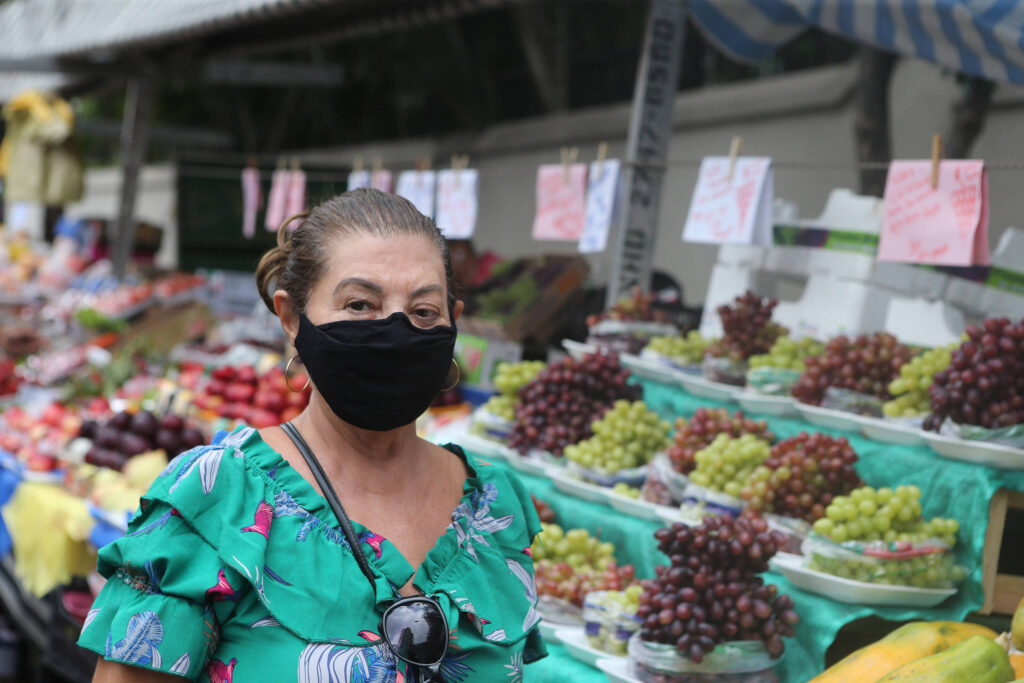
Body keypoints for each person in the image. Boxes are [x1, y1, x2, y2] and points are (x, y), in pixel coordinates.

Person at [79, 189, 547, 682]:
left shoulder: (495, 507)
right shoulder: (214, 500)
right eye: (360, 304)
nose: (394, 330)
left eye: (424, 312)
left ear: (453, 318)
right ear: (291, 318)